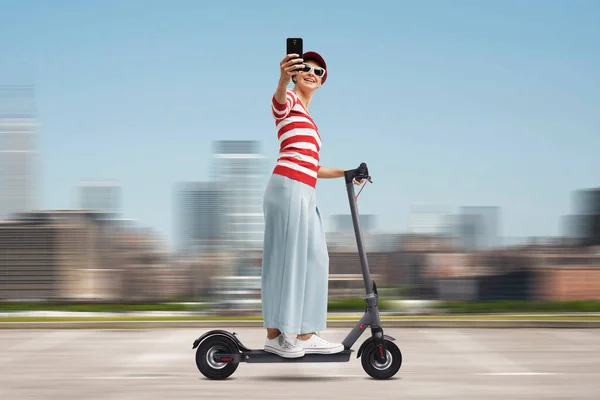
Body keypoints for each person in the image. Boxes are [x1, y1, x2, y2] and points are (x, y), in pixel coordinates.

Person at [261, 50, 363, 358]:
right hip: (289, 185)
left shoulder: (309, 121)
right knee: (286, 260)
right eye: (306, 67)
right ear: (294, 73)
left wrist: (348, 173)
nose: (312, 73)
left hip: (304, 189)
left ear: (322, 82)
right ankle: (279, 337)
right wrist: (281, 77)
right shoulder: (289, 100)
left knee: (317, 258)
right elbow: (278, 102)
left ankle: (306, 333)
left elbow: (313, 166)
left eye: (319, 72)